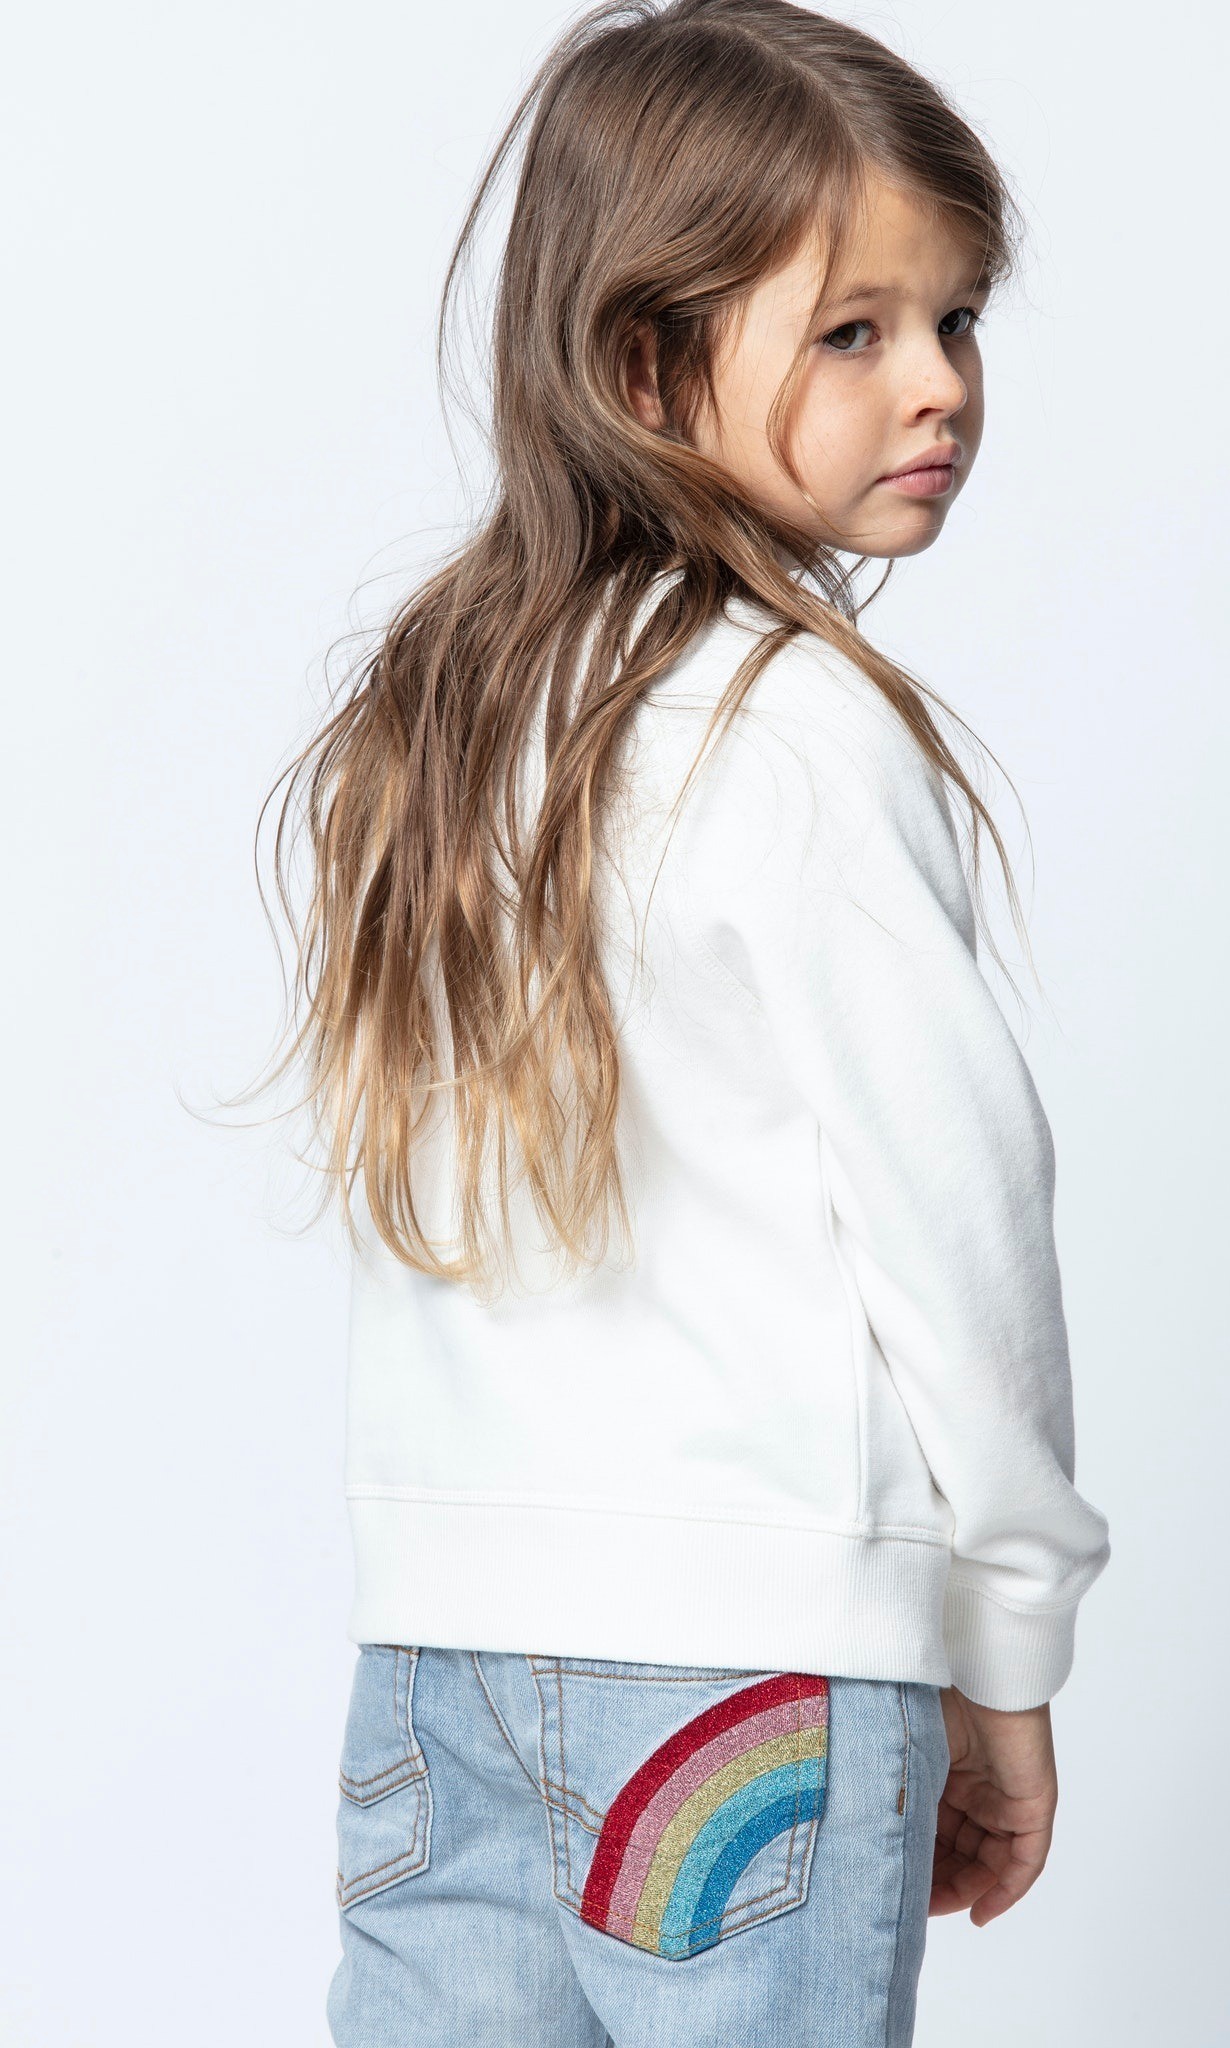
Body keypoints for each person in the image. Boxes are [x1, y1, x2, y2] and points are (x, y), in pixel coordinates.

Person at [260, 2, 1112, 2038]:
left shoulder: (438, 716)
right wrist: (1006, 1647)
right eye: (852, 332)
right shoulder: (793, 724)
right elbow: (957, 1221)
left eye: (953, 319)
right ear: (644, 367)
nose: (937, 382)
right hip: (742, 1673)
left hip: (439, 1668)